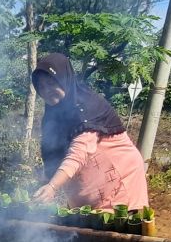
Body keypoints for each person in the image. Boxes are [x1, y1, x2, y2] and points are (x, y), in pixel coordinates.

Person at [31, 52, 150, 210]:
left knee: (117, 231)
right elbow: (51, 154)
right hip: (87, 193)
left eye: (51, 83)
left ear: (64, 79)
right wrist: (45, 183)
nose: (46, 90)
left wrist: (52, 187)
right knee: (82, 232)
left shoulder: (87, 107)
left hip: (119, 183)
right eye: (41, 87)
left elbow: (78, 154)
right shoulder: (53, 115)